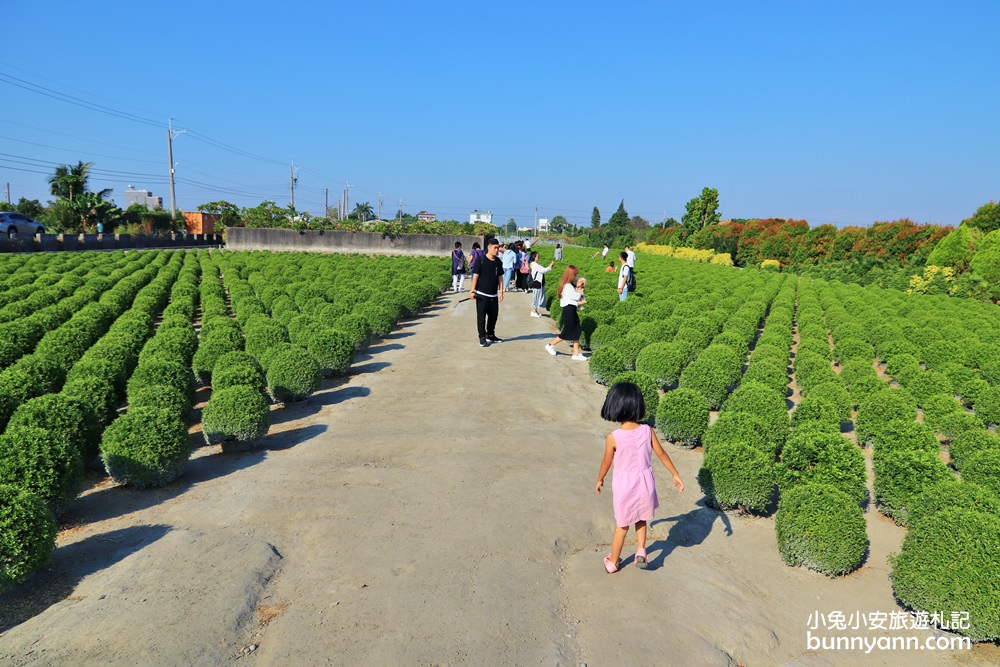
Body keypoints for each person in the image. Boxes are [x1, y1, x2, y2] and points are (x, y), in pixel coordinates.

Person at [595, 382, 684, 573]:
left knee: (622, 525)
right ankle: (641, 550)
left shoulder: (614, 437)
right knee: (642, 518)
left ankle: (614, 561)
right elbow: (661, 454)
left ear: (615, 406)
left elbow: (606, 462)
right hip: (645, 482)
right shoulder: (647, 430)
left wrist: (600, 478)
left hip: (625, 486)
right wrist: (675, 474)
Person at [545, 266, 586, 360]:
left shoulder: (569, 284)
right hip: (568, 310)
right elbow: (575, 296)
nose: (575, 277)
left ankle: (576, 354)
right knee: (567, 332)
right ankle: (550, 345)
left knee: (577, 330)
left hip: (571, 309)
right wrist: (581, 292)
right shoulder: (567, 285)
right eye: (575, 275)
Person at [470, 237, 504, 347]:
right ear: (489, 247)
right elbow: (475, 276)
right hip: (482, 294)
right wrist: (472, 291)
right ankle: (482, 336)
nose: (497, 250)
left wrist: (501, 292)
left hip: (493, 295)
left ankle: (490, 334)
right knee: (481, 317)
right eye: (495, 248)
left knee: (493, 316)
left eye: (498, 248)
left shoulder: (498, 262)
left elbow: (500, 277)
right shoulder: (481, 260)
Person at [529, 251, 554, 317]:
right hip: (537, 282)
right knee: (536, 297)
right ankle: (533, 311)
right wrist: (550, 266)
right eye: (537, 256)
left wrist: (550, 266)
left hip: (539, 283)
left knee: (538, 297)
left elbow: (543, 269)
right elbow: (543, 270)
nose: (538, 257)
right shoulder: (534, 264)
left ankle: (536, 311)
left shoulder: (535, 264)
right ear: (534, 257)